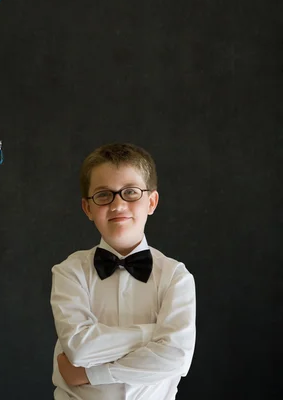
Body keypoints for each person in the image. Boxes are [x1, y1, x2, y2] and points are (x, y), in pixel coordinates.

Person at [50, 143, 196, 400]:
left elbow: (175, 358)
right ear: (88, 208)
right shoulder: (69, 272)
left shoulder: (176, 277)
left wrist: (91, 374)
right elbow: (79, 349)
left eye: (130, 192)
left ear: (151, 201)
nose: (118, 205)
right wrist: (153, 333)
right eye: (104, 195)